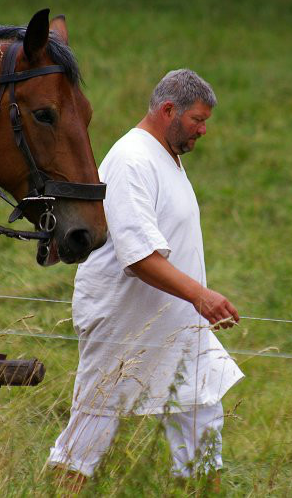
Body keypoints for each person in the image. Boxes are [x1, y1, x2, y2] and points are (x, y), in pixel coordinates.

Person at [46, 69, 244, 488]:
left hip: (176, 324)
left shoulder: (164, 155)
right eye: (197, 120)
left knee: (202, 421)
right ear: (168, 110)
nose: (204, 130)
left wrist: (193, 304)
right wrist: (201, 296)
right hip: (126, 325)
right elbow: (138, 257)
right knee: (89, 436)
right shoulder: (132, 159)